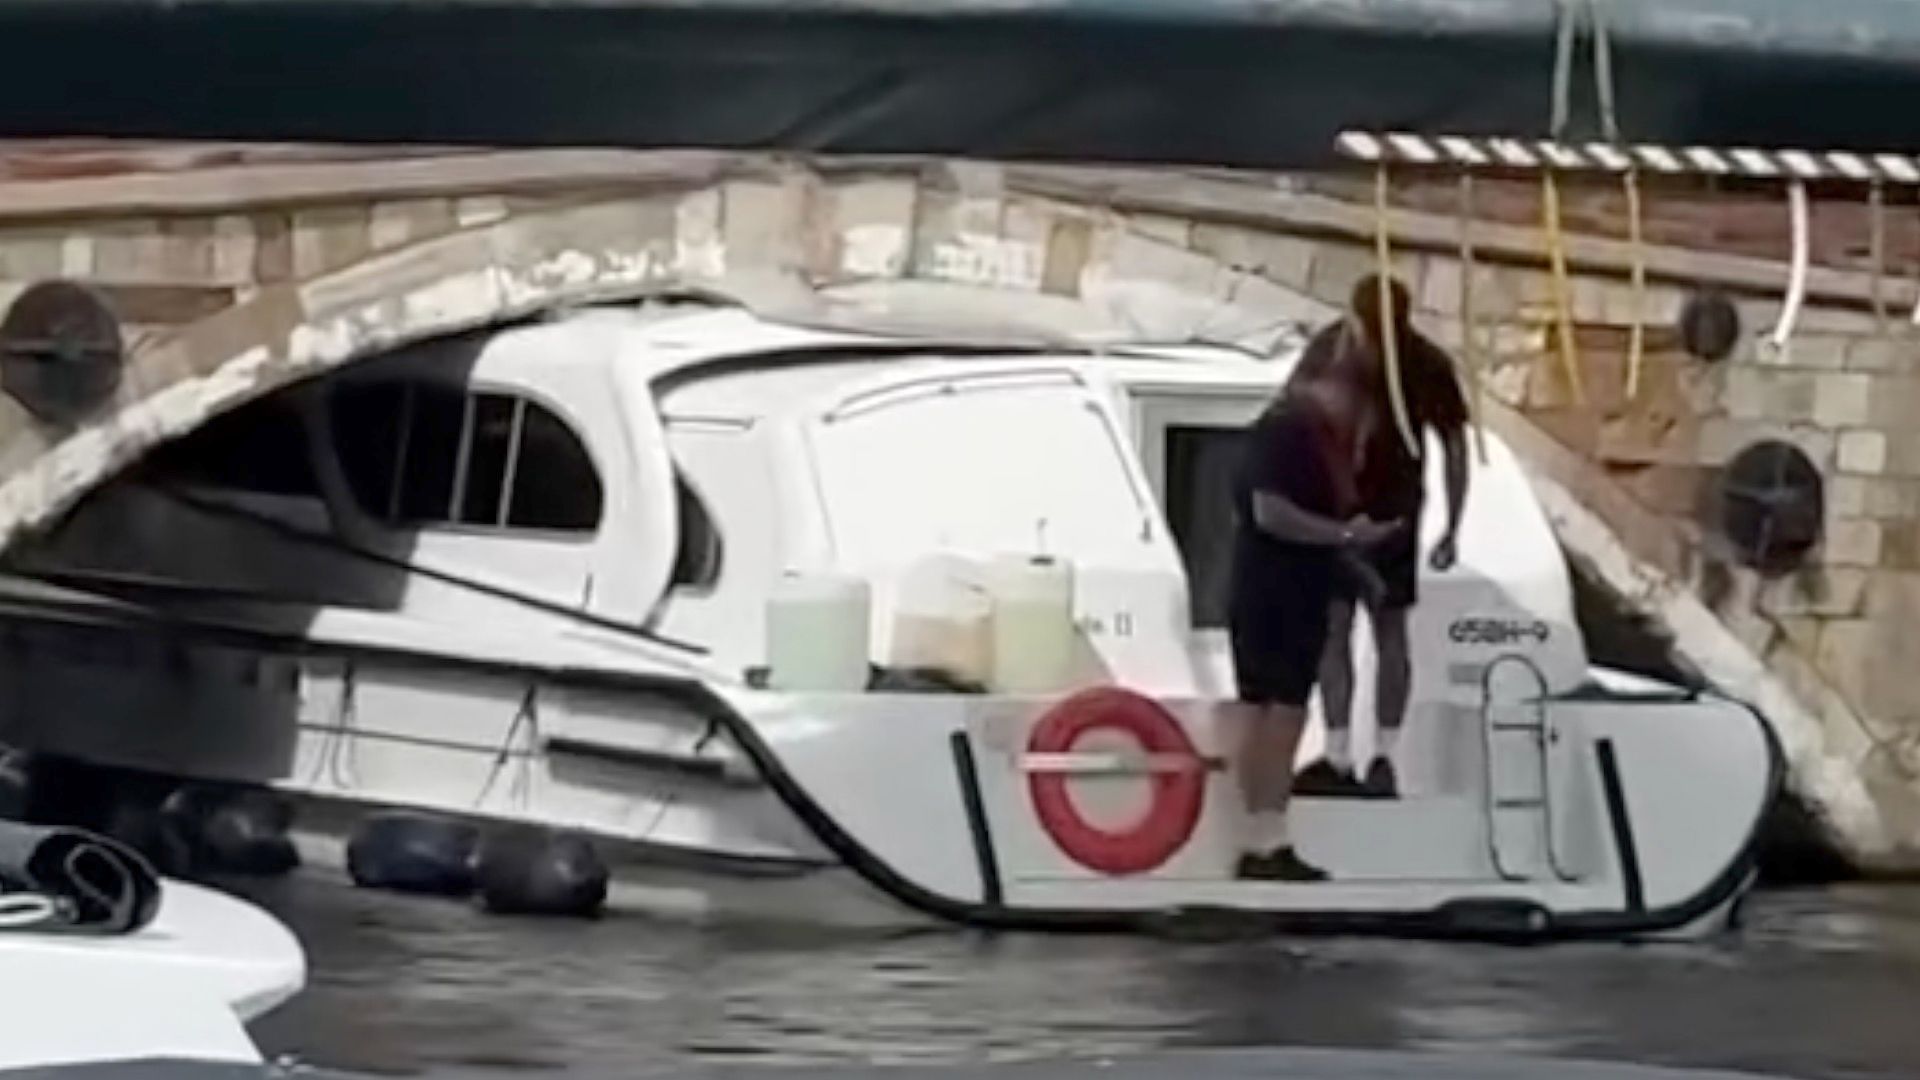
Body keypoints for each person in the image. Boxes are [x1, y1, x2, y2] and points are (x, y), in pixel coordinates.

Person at [1226, 312, 1406, 882]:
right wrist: (1348, 536)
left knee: (1269, 712)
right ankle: (1265, 840)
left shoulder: (1297, 433)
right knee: (1278, 715)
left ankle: (1260, 832)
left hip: (1283, 587)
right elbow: (1271, 512)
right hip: (1276, 593)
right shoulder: (1287, 433)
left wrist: (1355, 567)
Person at [1291, 275, 1470, 800]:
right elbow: (1295, 423)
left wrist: (1453, 524)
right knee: (1343, 629)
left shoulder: (1414, 362)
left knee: (1378, 629)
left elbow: (1454, 445)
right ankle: (1343, 753)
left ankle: (1378, 754)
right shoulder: (1333, 351)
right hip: (1343, 511)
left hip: (1387, 513)